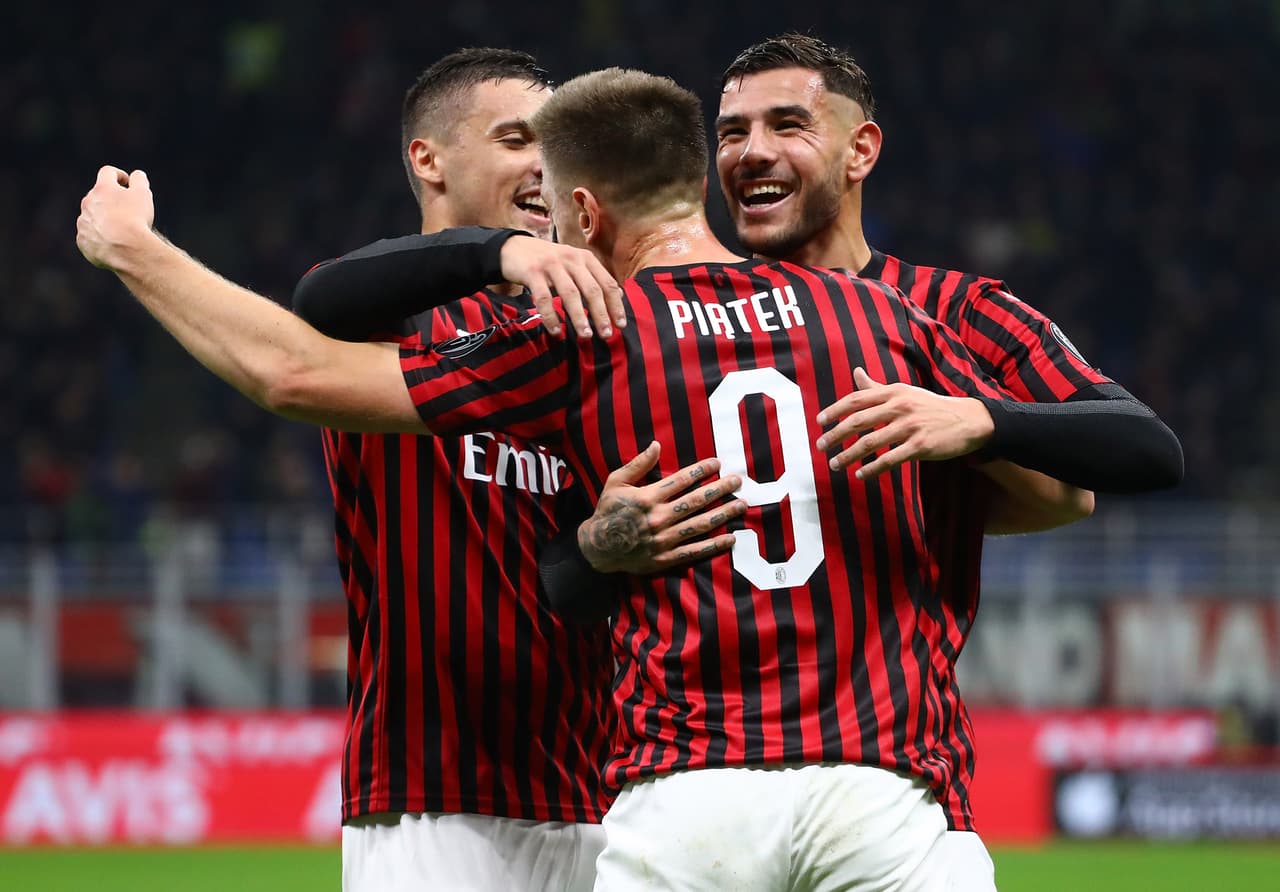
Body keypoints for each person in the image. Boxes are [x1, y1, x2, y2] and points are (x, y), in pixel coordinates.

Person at [76, 67, 1179, 890]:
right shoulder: (869, 323)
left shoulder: (586, 337)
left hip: (636, 792)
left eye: (548, 174)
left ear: (586, 206)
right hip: (454, 799)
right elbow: (309, 339)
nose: (539, 201)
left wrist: (972, 427)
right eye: (512, 142)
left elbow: (304, 373)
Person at [709, 32, 1185, 888]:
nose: (752, 152)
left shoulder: (954, 310)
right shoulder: (672, 318)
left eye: (787, 123)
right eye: (731, 130)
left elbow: (1144, 446)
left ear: (862, 150)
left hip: (893, 782)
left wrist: (979, 421)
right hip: (694, 786)